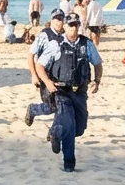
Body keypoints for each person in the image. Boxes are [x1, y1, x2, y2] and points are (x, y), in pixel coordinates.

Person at [32, 13, 102, 172]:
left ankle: (56, 130)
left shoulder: (87, 44)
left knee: (79, 128)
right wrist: (47, 82)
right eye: (71, 25)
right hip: (61, 91)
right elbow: (40, 65)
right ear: (65, 26)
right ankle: (69, 162)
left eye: (76, 24)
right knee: (69, 125)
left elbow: (97, 63)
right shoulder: (56, 45)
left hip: (80, 92)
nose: (74, 28)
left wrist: (97, 81)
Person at [23, 9, 67, 126]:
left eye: (61, 19)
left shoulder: (64, 36)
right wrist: (33, 75)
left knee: (61, 104)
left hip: (59, 75)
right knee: (52, 106)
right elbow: (31, 54)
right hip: (44, 74)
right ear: (52, 20)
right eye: (57, 19)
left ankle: (55, 132)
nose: (59, 22)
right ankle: (33, 109)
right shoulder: (44, 35)